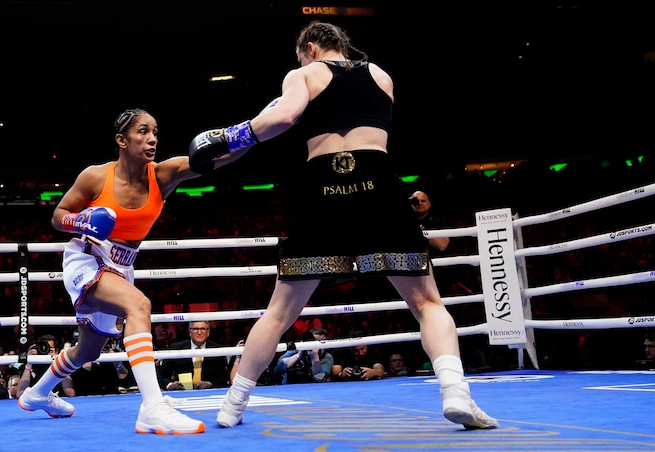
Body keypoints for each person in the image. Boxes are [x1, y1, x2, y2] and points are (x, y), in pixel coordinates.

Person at [189, 20, 498, 430]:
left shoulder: (303, 73)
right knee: (427, 303)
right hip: (378, 184)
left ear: (311, 48)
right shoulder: (381, 76)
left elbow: (284, 117)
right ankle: (456, 393)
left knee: (280, 312)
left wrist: (231, 136)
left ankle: (233, 405)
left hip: (324, 188)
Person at [18, 108, 235, 435]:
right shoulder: (94, 177)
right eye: (143, 132)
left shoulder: (163, 174)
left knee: (88, 349)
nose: (152, 139)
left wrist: (252, 133)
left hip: (122, 266)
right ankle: (153, 407)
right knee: (139, 306)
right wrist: (80, 221)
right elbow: (58, 215)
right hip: (87, 259)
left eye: (155, 133)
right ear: (121, 139)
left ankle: (37, 394)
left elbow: (213, 160)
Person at [158, 321, 231, 390]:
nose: (199, 332)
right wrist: (170, 384)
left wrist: (211, 384)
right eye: (196, 329)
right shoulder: (177, 348)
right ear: (189, 332)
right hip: (182, 393)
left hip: (208, 394)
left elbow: (223, 378)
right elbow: (162, 375)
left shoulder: (217, 350)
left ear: (208, 332)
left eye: (202, 329)